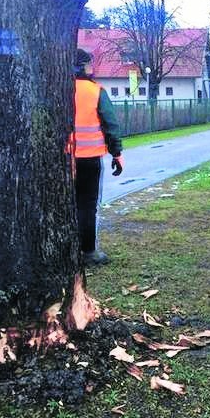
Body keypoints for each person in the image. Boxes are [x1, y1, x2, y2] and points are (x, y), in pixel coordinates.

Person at [70, 49, 124, 266]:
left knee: (68, 204)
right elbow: (110, 125)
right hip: (89, 158)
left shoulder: (57, 89)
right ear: (83, 66)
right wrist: (117, 153)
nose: (93, 68)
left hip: (64, 159)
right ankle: (89, 251)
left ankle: (67, 249)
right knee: (87, 205)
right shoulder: (96, 91)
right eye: (90, 64)